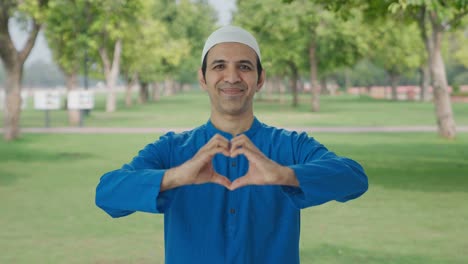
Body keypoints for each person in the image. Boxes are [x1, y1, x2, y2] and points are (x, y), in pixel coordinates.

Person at [95, 25, 368, 264]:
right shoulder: (172, 149)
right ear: (202, 78)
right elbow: (107, 195)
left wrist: (285, 175)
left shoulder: (291, 147)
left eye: (245, 67)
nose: (232, 77)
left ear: (260, 79)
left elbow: (354, 178)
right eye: (219, 66)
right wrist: (176, 176)